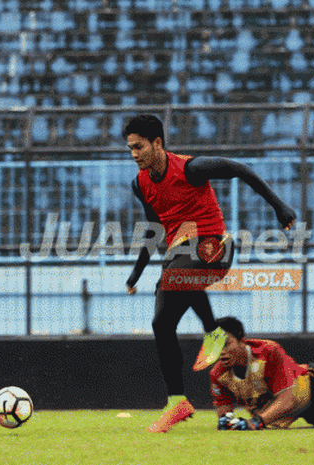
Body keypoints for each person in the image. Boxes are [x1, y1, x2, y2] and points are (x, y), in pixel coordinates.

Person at [122, 114, 297, 433]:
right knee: (161, 321)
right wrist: (135, 274)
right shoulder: (141, 183)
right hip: (183, 255)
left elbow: (239, 169)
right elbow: (153, 231)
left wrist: (279, 207)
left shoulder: (191, 168)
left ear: (157, 143)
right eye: (130, 148)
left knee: (176, 272)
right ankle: (177, 400)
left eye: (139, 147)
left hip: (215, 248)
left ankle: (211, 329)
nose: (134, 154)